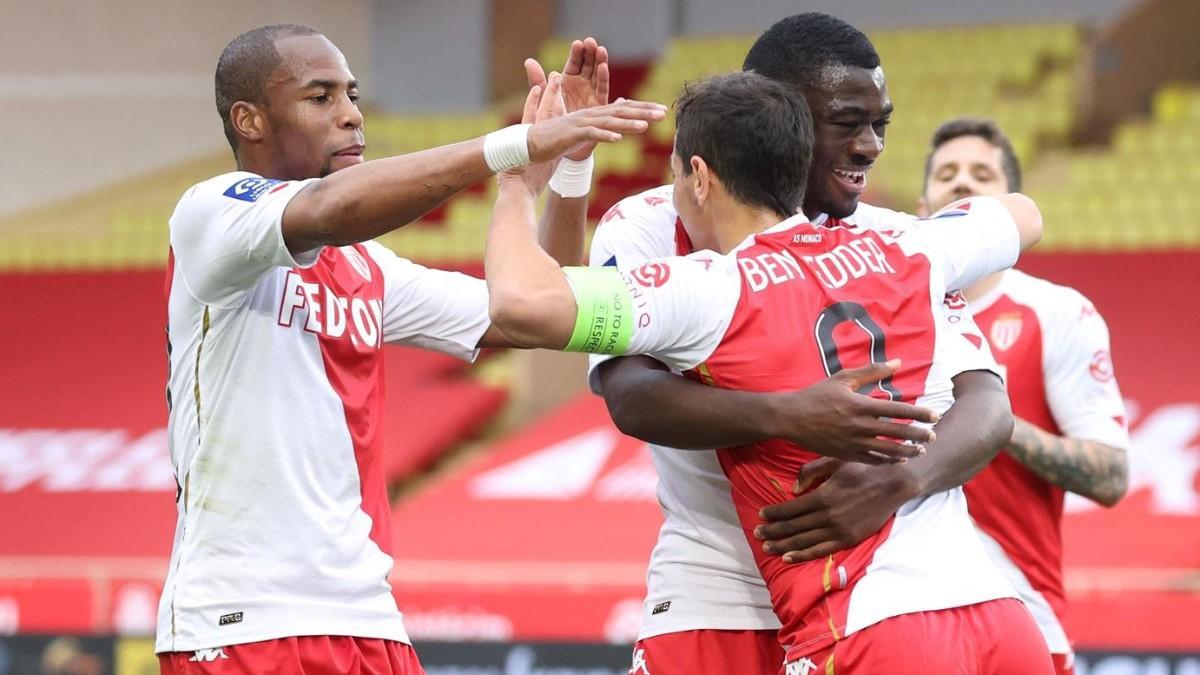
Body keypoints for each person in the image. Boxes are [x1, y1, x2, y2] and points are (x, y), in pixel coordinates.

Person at [485, 71, 1052, 674]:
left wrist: (520, 181)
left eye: (678, 174)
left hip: (867, 625)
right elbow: (1023, 215)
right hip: (999, 619)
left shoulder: (709, 289)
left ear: (699, 178)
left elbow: (520, 305)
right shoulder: (906, 246)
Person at [156, 24, 665, 673]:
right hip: (243, 619)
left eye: (353, 95)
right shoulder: (210, 215)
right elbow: (332, 207)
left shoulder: (366, 266)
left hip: (367, 618)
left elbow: (534, 309)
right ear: (249, 119)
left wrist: (557, 171)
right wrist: (511, 145)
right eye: (321, 97)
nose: (350, 115)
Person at [919, 117, 1131, 675]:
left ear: (1009, 209)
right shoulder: (880, 316)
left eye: (981, 174)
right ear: (922, 206)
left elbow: (1110, 476)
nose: (961, 183)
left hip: (1019, 612)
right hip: (899, 614)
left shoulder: (1057, 312)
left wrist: (990, 418)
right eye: (946, 174)